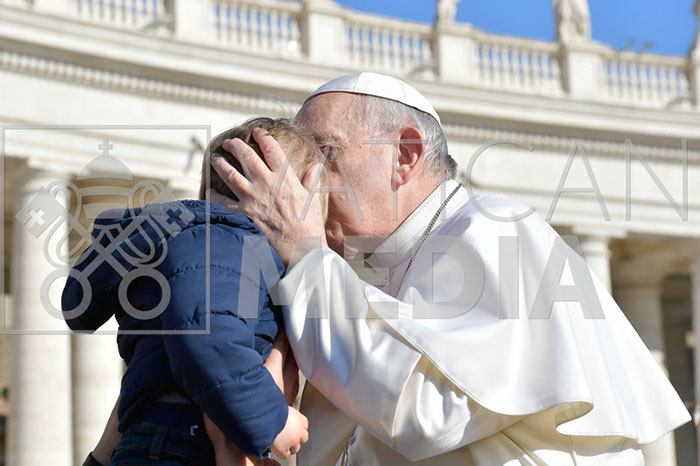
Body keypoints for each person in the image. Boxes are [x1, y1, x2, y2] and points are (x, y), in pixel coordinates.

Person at [208, 72, 691, 465]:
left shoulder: (497, 229)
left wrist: (307, 256)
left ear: (405, 155)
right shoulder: (359, 273)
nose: (302, 186)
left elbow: (427, 409)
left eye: (325, 155)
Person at [62, 117, 325, 465]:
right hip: (181, 440)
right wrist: (272, 420)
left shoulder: (200, 245)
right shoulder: (222, 242)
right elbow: (207, 337)